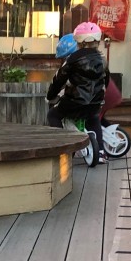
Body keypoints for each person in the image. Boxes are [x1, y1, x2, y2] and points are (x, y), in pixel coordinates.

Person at [46, 21, 108, 167]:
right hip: (95, 101)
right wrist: (100, 95)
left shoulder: (72, 59)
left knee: (53, 115)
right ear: (97, 41)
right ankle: (100, 152)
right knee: (93, 118)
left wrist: (50, 95)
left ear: (78, 41)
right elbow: (107, 79)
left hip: (75, 101)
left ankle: (62, 149)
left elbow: (59, 79)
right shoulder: (102, 58)